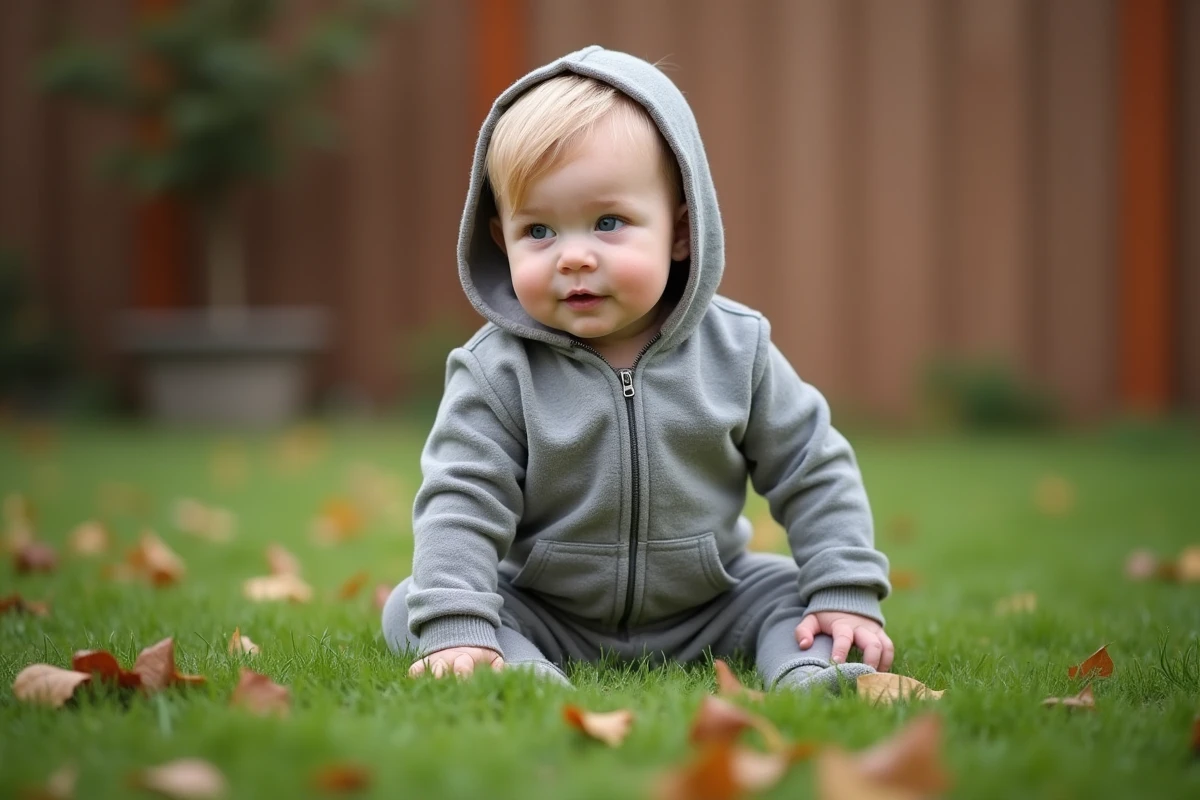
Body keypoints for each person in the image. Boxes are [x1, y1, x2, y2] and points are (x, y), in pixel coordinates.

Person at [382, 46, 893, 692]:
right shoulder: (498, 371)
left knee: (795, 595)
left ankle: (812, 672)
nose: (572, 257)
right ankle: (521, 674)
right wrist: (457, 619)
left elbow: (811, 465)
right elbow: (462, 497)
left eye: (607, 223)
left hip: (713, 603)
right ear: (499, 238)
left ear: (680, 232)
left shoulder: (738, 349)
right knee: (418, 604)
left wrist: (843, 588)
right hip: (549, 607)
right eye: (538, 231)